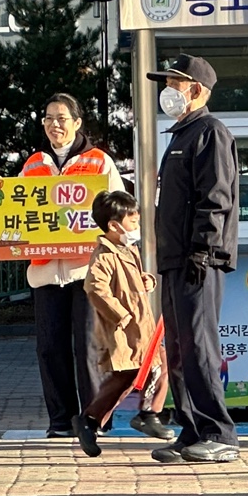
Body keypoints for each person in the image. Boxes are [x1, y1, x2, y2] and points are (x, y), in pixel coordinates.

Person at [0, 94, 125, 439]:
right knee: (50, 347)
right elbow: (15, 213)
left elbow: (123, 215)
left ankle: (96, 419)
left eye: (62, 118)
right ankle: (61, 421)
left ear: (78, 122)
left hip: (89, 273)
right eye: (49, 118)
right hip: (45, 271)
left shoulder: (99, 162)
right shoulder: (34, 164)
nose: (55, 124)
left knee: (90, 348)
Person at [148, 54, 241, 464]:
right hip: (174, 259)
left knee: (199, 345)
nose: (168, 91)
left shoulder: (210, 133)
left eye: (175, 83)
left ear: (197, 90)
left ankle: (219, 432)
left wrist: (202, 250)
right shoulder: (179, 135)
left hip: (198, 260)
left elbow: (216, 200)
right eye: (166, 83)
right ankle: (190, 429)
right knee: (179, 348)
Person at [72, 191, 172, 458]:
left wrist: (145, 280)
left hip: (141, 326)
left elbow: (133, 279)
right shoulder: (104, 256)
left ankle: (95, 420)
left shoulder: (128, 250)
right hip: (123, 331)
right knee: (132, 374)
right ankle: (142, 413)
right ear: (114, 226)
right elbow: (95, 288)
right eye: (133, 223)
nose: (136, 228)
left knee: (152, 367)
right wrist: (121, 315)